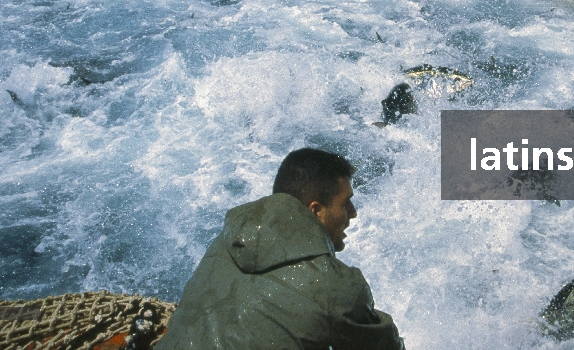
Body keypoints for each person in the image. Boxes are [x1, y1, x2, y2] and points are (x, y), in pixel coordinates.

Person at [157, 148, 403, 350]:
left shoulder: (227, 240)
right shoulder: (334, 286)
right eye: (345, 202)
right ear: (316, 210)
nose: (353, 212)